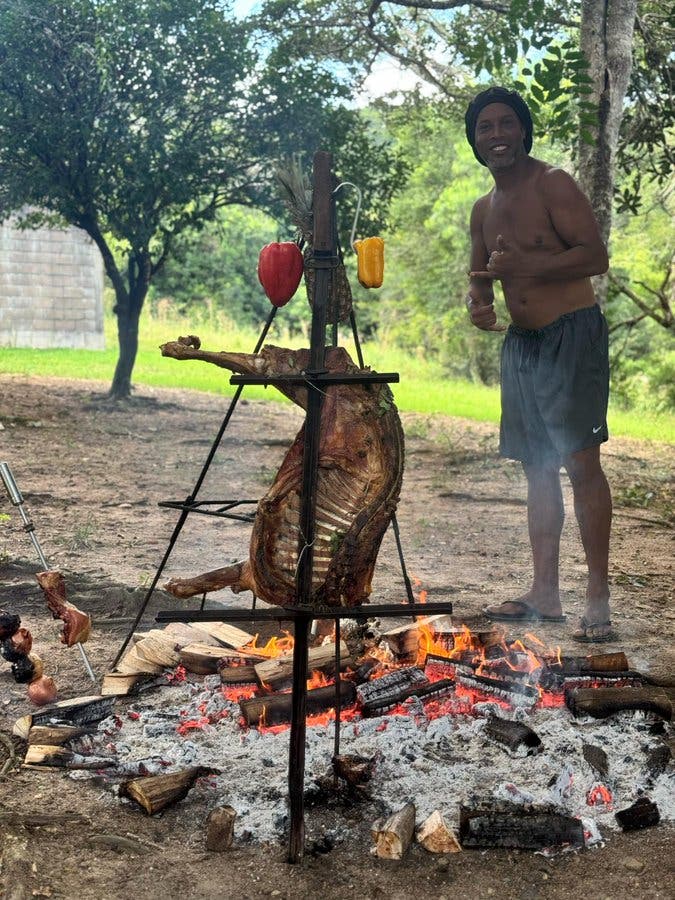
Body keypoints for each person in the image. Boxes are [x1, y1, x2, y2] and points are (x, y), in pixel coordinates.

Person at [464, 85, 614, 642]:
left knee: (580, 464)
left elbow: (595, 256)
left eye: (506, 124)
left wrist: (526, 264)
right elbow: (481, 278)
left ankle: (597, 595)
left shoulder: (552, 183)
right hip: (522, 346)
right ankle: (545, 593)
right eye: (485, 127)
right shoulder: (484, 208)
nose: (496, 134)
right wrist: (480, 307)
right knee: (536, 466)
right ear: (476, 141)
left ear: (524, 130)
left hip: (571, 337)